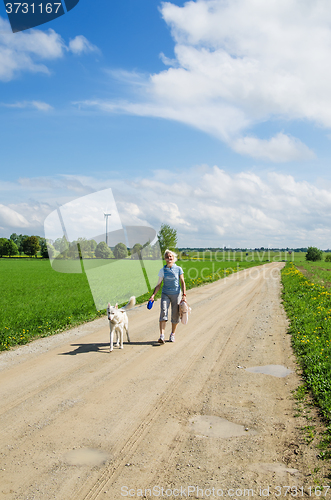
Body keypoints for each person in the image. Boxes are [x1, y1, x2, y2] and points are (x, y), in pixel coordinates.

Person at [149, 249, 187, 343]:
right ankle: (162, 336)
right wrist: (153, 295)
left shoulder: (178, 269)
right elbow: (158, 284)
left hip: (176, 294)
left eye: (170, 256)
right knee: (163, 312)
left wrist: (184, 295)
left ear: (173, 258)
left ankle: (172, 334)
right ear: (165, 259)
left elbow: (182, 281)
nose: (169, 258)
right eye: (167, 257)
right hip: (165, 294)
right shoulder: (162, 270)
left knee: (175, 315)